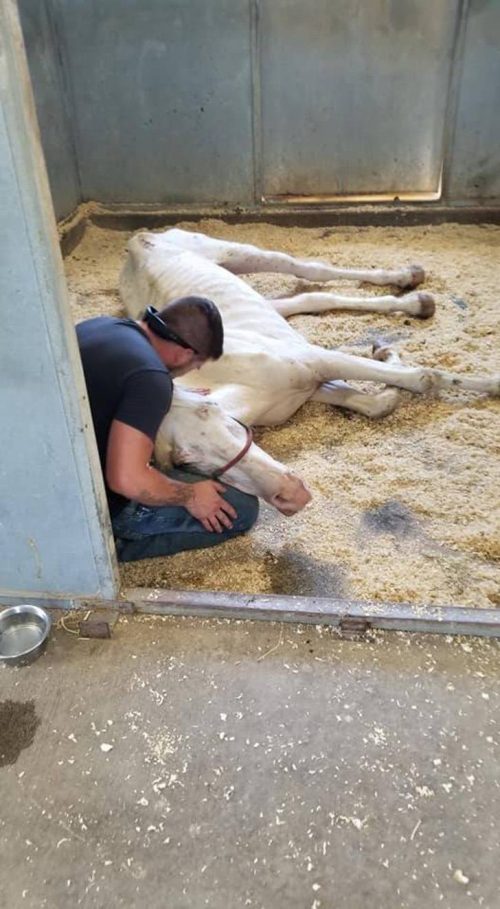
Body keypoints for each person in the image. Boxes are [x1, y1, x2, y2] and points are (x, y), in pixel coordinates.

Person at [76, 297, 259, 562]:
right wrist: (190, 495)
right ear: (185, 353)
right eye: (196, 365)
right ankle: (106, 551)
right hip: (89, 505)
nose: (190, 371)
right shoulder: (150, 379)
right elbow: (125, 480)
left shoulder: (103, 325)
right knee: (241, 509)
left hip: (53, 477)